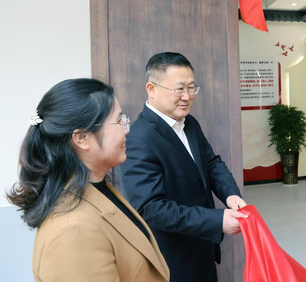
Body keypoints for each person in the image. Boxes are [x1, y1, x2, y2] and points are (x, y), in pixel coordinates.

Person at [7, 78, 169, 282]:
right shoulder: (72, 230)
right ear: (82, 138)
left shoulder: (98, 190)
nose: (127, 129)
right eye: (119, 121)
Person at [119, 52, 247, 282]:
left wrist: (230, 194)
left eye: (191, 88)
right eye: (179, 89)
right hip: (173, 259)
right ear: (151, 89)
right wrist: (216, 220)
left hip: (203, 247)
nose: (187, 97)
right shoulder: (138, 138)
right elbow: (150, 208)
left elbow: (211, 162)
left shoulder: (189, 123)